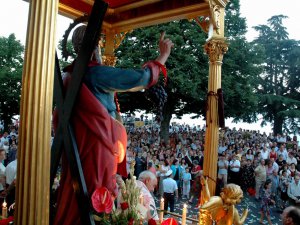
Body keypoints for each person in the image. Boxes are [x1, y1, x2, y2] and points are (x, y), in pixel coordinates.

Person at [53, 25, 174, 225]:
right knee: (98, 195)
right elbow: (140, 78)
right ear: (94, 47)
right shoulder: (94, 74)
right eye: (99, 44)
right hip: (98, 147)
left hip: (80, 148)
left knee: (81, 194)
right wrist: (162, 57)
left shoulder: (68, 76)